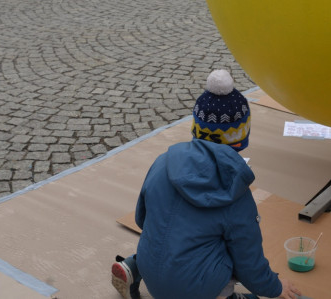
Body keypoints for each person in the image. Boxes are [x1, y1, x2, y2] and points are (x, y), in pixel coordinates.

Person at [111, 69, 300, 299]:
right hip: (194, 290)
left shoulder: (162, 162)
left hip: (152, 272)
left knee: (174, 233)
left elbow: (142, 219)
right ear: (241, 137)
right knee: (230, 250)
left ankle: (134, 266)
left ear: (197, 126)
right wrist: (275, 287)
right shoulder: (234, 191)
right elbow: (249, 262)